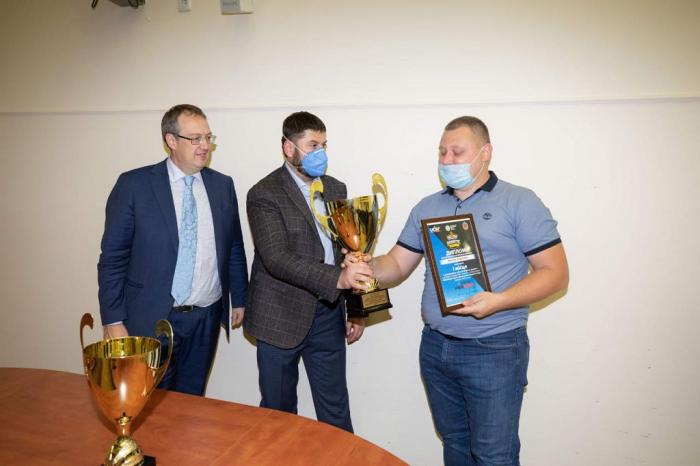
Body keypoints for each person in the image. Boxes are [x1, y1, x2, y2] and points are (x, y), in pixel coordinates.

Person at [360, 116, 569, 465]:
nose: (447, 160)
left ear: (485, 152)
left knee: (494, 455)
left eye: (457, 152)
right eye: (442, 153)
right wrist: (366, 266)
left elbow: (555, 274)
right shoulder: (427, 207)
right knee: (455, 445)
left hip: (495, 348)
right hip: (435, 347)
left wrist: (498, 301)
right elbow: (395, 265)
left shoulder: (520, 201)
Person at [98, 104, 248, 396]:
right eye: (195, 138)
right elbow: (113, 259)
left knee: (191, 401)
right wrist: (113, 320)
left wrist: (239, 298)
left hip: (205, 317)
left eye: (208, 137)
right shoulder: (134, 185)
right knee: (149, 402)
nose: (205, 145)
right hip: (150, 317)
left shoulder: (222, 186)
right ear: (171, 140)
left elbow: (233, 246)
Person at [244, 111, 372, 432]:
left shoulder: (335, 188)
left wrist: (357, 310)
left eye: (324, 145)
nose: (321, 153)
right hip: (279, 317)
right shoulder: (264, 193)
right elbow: (276, 258)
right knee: (279, 415)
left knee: (335, 412)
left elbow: (351, 251)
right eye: (313, 145)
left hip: (328, 314)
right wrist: (337, 279)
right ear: (289, 148)